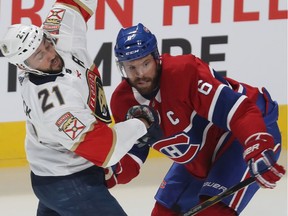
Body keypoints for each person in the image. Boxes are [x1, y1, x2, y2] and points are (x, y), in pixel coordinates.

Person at [106, 23, 286, 216]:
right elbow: (133, 153)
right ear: (121, 67)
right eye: (131, 67)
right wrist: (108, 172)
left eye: (145, 64)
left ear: (156, 57)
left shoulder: (183, 72)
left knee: (212, 212)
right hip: (199, 157)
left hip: (240, 135)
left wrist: (257, 147)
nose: (140, 74)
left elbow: (239, 111)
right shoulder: (122, 103)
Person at [0, 2, 160, 216]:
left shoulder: (57, 35)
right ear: (23, 66)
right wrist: (141, 122)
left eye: (46, 45)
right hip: (67, 181)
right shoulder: (54, 105)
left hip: (57, 174)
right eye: (39, 56)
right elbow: (107, 150)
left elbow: (73, 3)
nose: (50, 54)